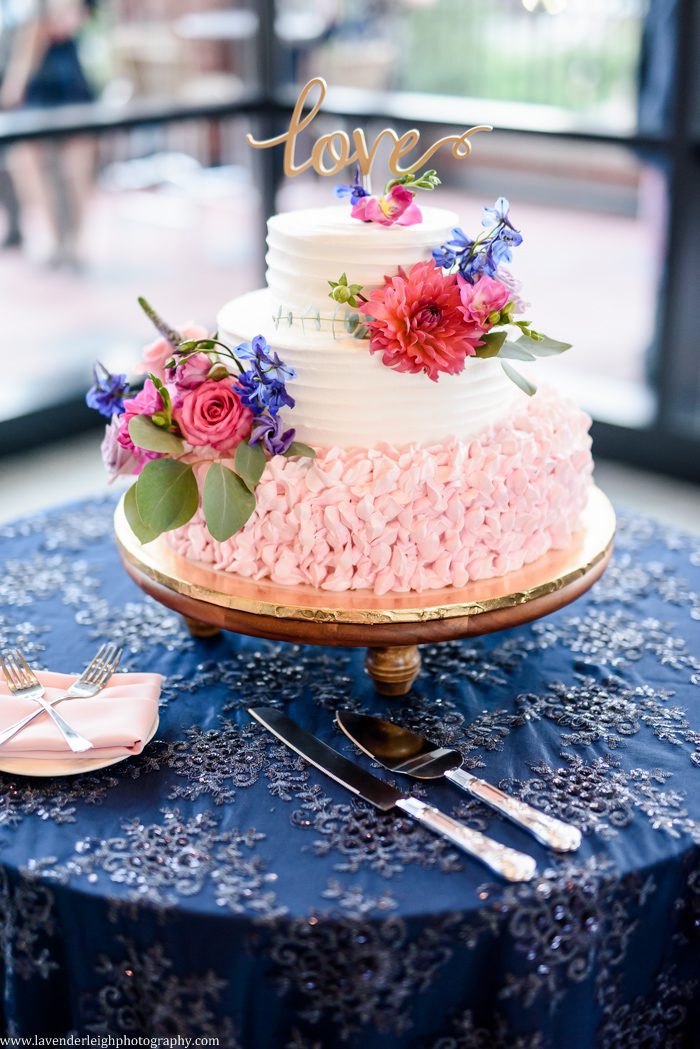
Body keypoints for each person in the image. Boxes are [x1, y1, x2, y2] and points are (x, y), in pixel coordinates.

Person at [1, 0, 97, 268]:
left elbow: (48, 30)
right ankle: (62, 243)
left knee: (69, 169)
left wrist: (15, 83)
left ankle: (71, 243)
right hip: (47, 88)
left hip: (60, 85)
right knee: (46, 170)